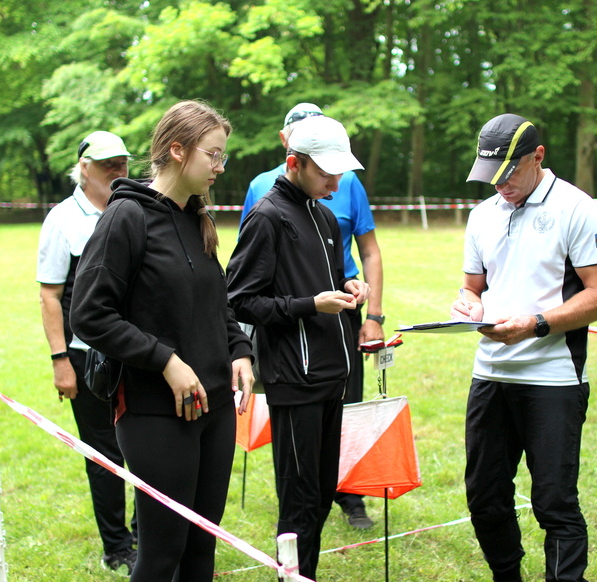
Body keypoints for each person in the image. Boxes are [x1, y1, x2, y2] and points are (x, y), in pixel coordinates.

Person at [69, 100, 254, 582]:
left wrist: (240, 350)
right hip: (154, 413)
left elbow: (218, 305)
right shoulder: (126, 217)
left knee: (201, 551)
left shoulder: (196, 219)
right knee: (161, 554)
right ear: (177, 151)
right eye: (213, 155)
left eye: (222, 157)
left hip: (215, 409)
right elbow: (89, 314)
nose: (219, 166)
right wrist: (166, 361)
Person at [451, 113, 597, 582]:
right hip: (490, 375)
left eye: (510, 171)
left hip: (554, 379)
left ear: (538, 156)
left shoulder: (578, 209)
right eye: (491, 175)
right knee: (484, 497)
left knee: (554, 502)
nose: (500, 184)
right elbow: (472, 287)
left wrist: (536, 324)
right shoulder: (482, 215)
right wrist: (466, 305)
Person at [226, 115, 371, 580]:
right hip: (295, 379)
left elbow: (326, 285)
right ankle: (295, 574)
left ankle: (304, 573)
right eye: (326, 172)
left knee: (323, 492)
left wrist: (350, 288)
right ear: (294, 162)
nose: (336, 181)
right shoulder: (267, 216)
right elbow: (240, 300)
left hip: (334, 375)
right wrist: (310, 304)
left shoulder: (325, 215)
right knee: (299, 499)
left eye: (340, 172)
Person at [37, 130, 138, 574]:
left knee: (147, 447)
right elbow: (50, 295)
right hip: (87, 356)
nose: (117, 171)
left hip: (139, 351)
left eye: (122, 162)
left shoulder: (135, 209)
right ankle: (117, 547)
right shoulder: (62, 219)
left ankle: (146, 534)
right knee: (104, 454)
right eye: (106, 164)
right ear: (84, 168)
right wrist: (61, 362)